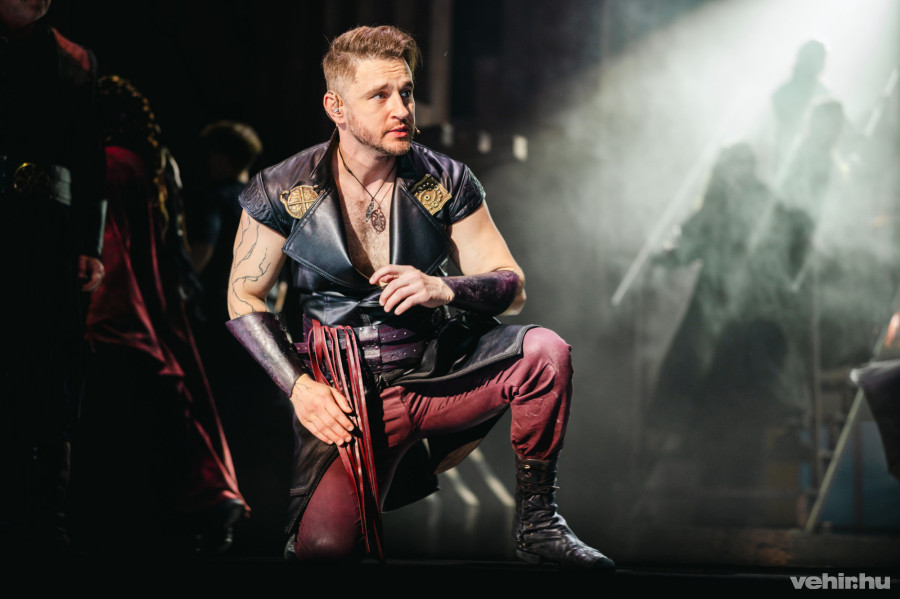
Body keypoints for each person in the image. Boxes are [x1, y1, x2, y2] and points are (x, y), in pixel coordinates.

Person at [224, 25, 614, 569]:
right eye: (379, 95)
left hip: (435, 373)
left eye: (405, 92)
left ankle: (538, 524)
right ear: (336, 108)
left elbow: (513, 288)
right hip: (348, 397)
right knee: (324, 554)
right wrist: (300, 389)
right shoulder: (281, 188)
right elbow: (244, 296)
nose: (401, 109)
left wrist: (443, 286)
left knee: (544, 353)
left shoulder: (446, 180)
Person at [74, 75, 247, 557]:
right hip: (167, 305)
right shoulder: (153, 165)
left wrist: (104, 312)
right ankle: (208, 503)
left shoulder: (111, 164)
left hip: (124, 308)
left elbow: (115, 248)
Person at [0, 0, 106, 557]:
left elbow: (89, 157)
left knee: (48, 374)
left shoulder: (75, 59)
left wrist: (90, 243)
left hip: (49, 239)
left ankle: (46, 522)